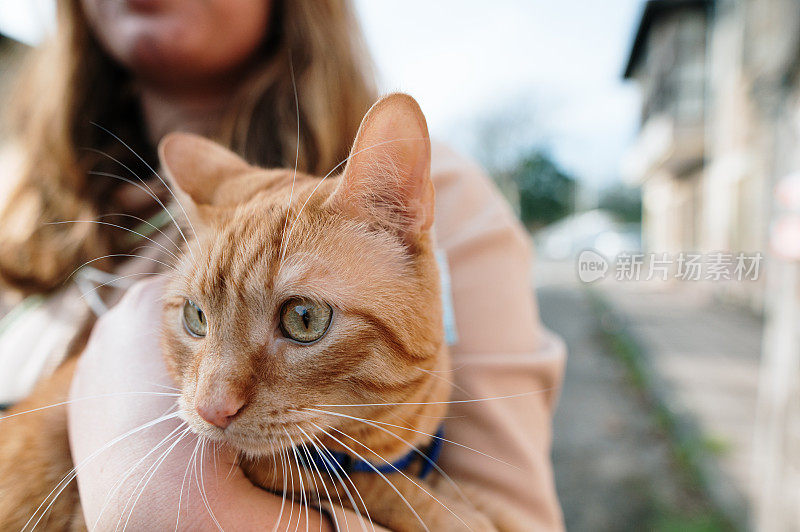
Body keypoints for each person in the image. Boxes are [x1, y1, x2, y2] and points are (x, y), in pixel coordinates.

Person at [0, 0, 566, 529]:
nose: (215, 402)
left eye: (302, 319)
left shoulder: (438, 193)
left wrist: (159, 497)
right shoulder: (21, 197)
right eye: (195, 318)